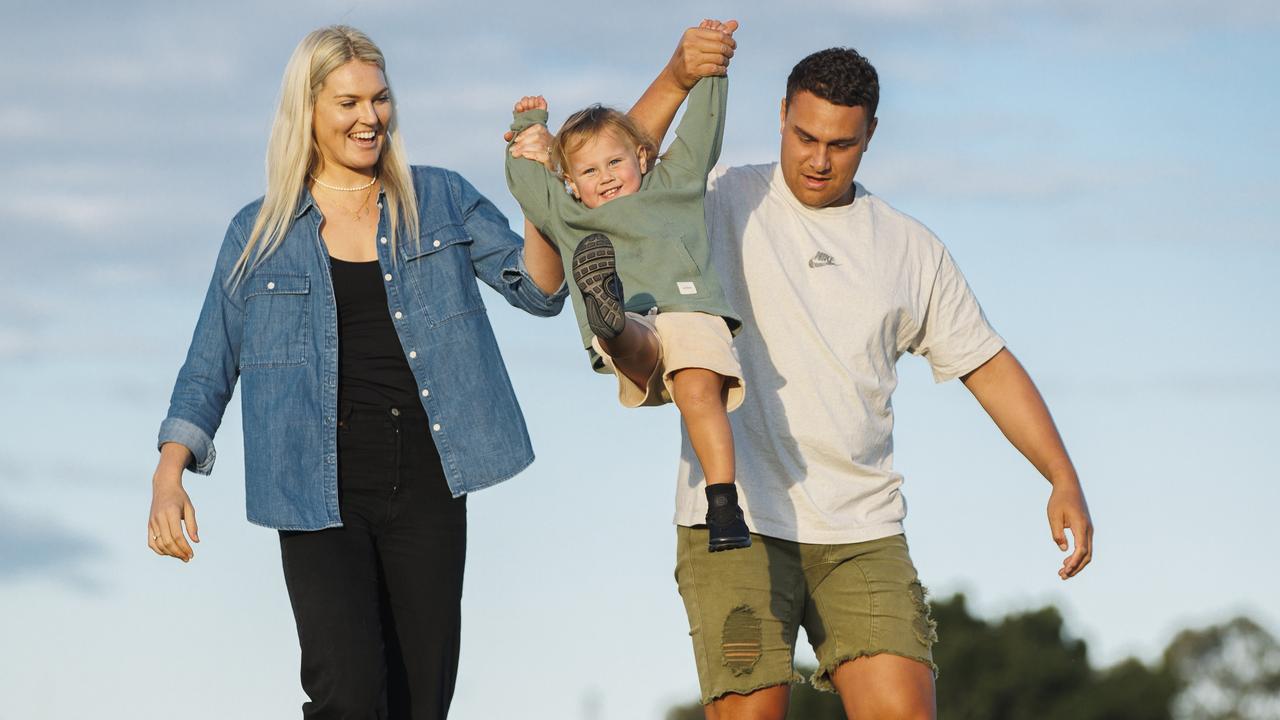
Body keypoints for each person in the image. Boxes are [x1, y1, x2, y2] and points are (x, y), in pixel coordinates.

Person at [516, 26, 1095, 719]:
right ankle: (620, 333)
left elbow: (988, 364)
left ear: (871, 134)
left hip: (864, 531)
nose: (819, 159)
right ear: (781, 116)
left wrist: (1061, 475)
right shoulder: (719, 196)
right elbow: (615, 165)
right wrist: (676, 74)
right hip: (736, 523)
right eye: (804, 136)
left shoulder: (909, 248)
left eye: (841, 144)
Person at [146, 25, 566, 719]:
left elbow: (542, 292)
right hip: (316, 482)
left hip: (431, 475)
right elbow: (208, 365)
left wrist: (538, 193)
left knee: (419, 699)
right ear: (307, 111)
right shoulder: (257, 235)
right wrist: (168, 475)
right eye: (348, 102)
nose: (370, 118)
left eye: (380, 99)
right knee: (346, 693)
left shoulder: (439, 199)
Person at [503, 20, 750, 552]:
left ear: (641, 157)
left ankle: (724, 503)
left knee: (696, 387)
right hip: (636, 318)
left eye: (615, 161)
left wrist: (712, 67)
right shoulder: (570, 216)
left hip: (688, 306)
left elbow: (704, 126)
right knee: (632, 336)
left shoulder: (675, 183)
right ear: (569, 183)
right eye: (589, 171)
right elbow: (527, 183)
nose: (607, 176)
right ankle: (608, 315)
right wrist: (526, 129)